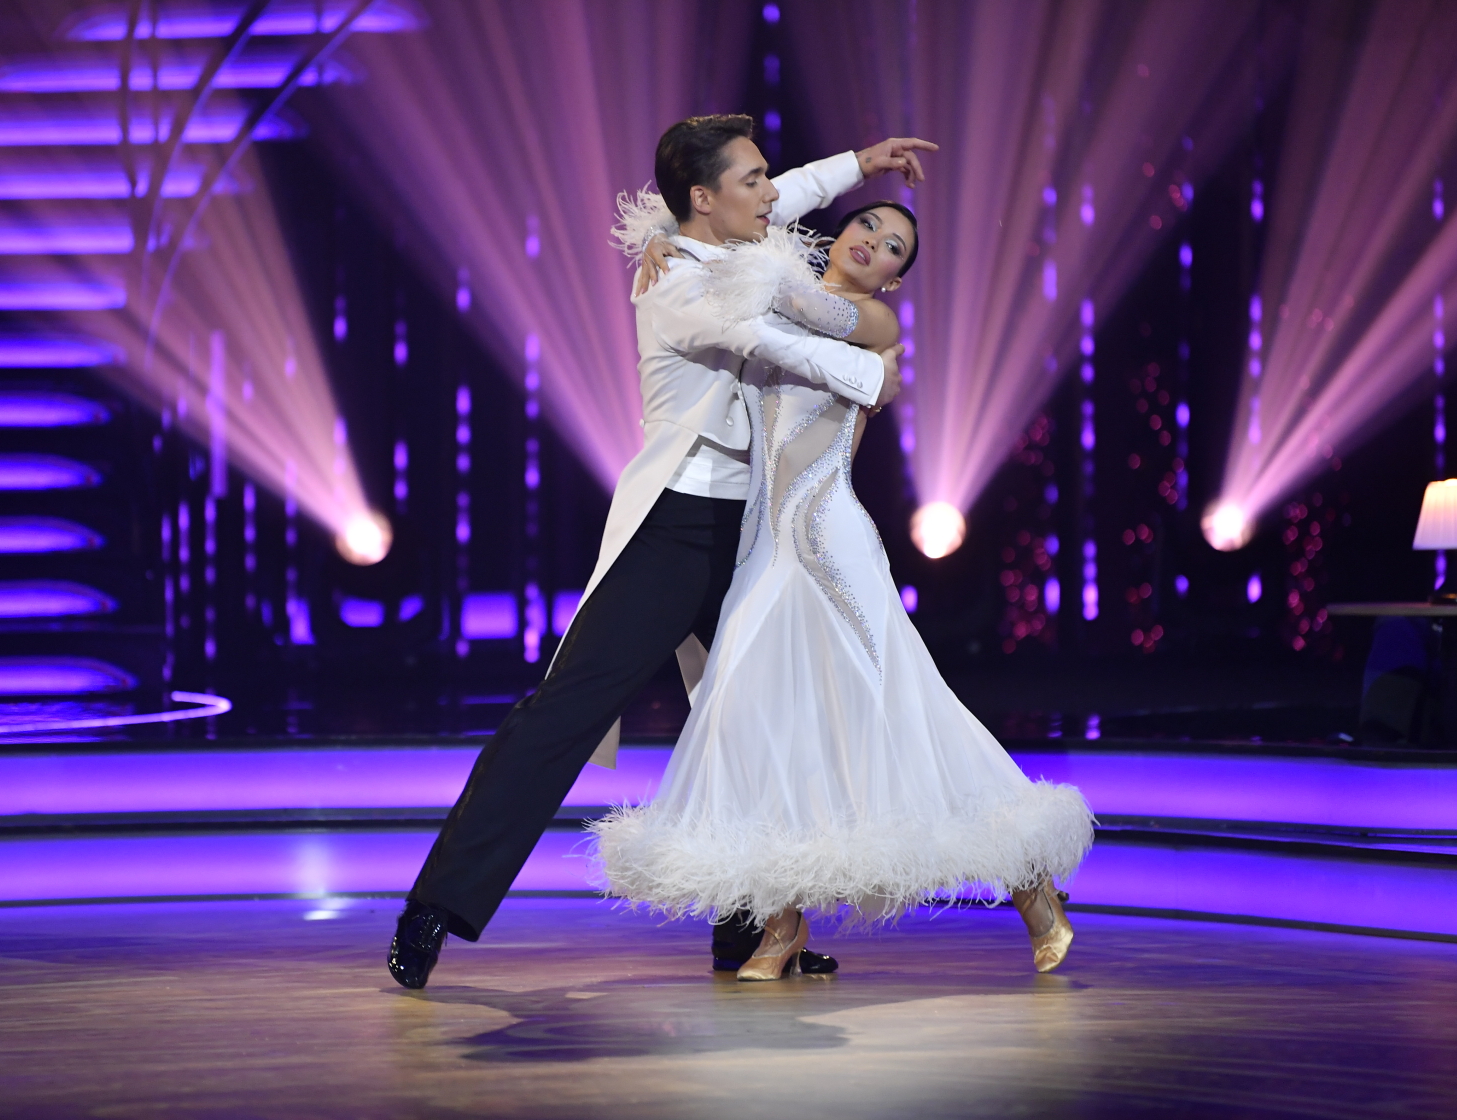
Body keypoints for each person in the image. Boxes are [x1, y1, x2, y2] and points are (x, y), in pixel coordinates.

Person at [387, 115, 934, 989]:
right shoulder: (676, 281)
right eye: (752, 181)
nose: (772, 193)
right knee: (565, 712)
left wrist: (857, 165)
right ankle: (436, 905)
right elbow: (769, 339)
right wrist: (875, 370)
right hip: (677, 525)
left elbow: (786, 200)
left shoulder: (737, 245)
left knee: (756, 719)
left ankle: (753, 928)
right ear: (703, 199)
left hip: (757, 528)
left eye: (767, 178)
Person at [589, 199, 1096, 980]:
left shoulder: (869, 324)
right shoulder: (773, 289)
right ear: (841, 230)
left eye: (894, 247)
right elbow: (727, 232)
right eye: (869, 227)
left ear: (894, 278)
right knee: (751, 721)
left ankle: (1032, 887)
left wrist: (688, 249)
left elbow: (788, 298)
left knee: (903, 713)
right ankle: (781, 920)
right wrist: (665, 236)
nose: (874, 244)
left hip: (831, 543)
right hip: (764, 550)